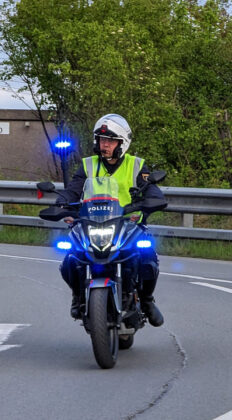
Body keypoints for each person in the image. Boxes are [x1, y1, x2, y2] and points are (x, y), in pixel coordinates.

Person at [56, 114, 165, 326]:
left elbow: (153, 191)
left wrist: (150, 202)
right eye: (101, 140)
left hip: (127, 224)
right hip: (92, 223)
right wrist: (61, 203)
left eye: (110, 140)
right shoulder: (88, 165)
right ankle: (78, 296)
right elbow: (73, 190)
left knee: (147, 254)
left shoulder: (136, 165)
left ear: (122, 143)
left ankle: (147, 300)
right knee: (70, 257)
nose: (104, 144)